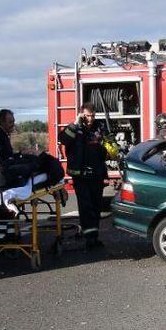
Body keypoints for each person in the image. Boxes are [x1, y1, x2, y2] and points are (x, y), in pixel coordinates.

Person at [59, 102, 107, 249]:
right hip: (81, 175)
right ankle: (89, 239)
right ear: (81, 114)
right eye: (87, 116)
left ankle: (94, 236)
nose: (90, 119)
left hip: (96, 174)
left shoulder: (99, 127)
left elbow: (106, 145)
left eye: (92, 115)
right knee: (86, 207)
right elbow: (63, 139)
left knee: (96, 206)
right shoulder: (74, 128)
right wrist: (75, 123)